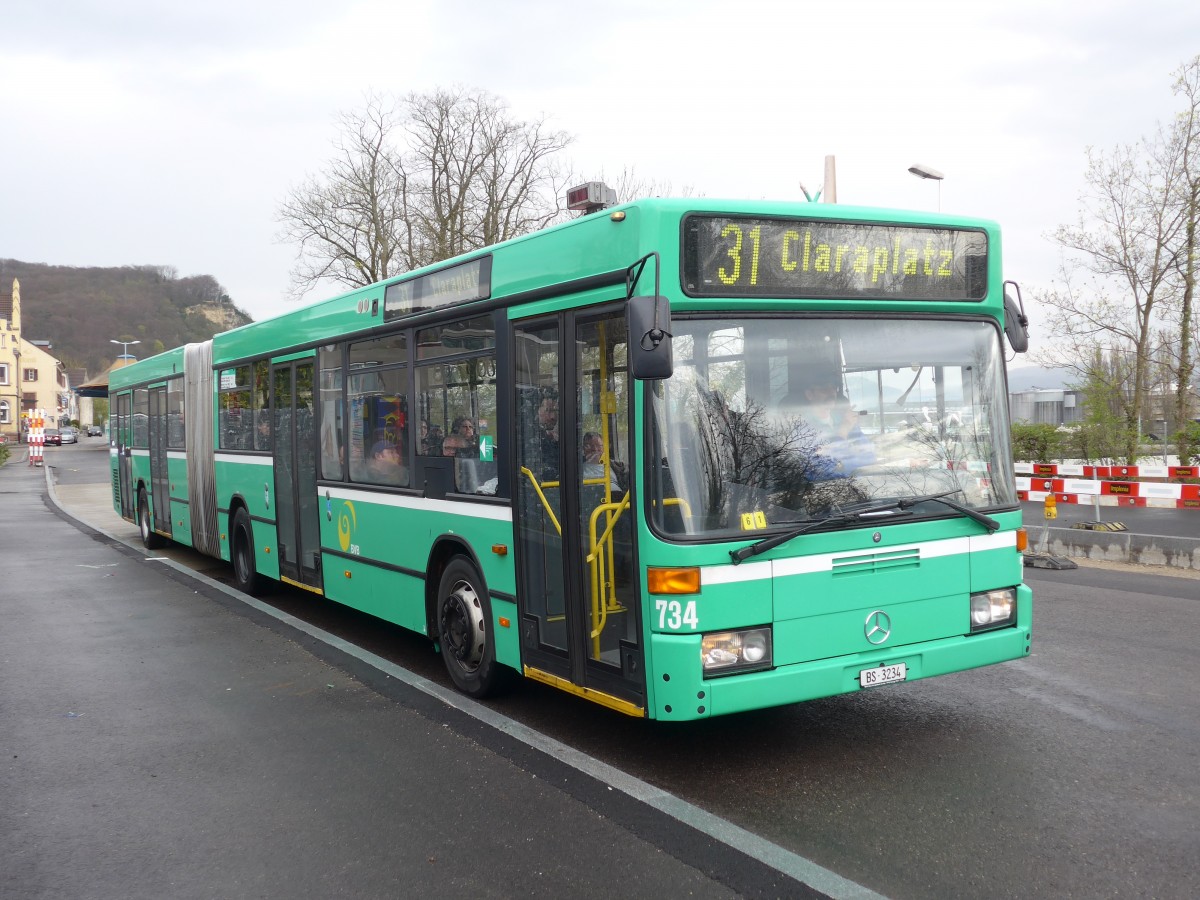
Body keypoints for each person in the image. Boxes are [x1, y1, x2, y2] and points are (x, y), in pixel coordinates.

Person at [783, 374, 875, 478]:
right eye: (824, 388)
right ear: (810, 394)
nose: (831, 392)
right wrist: (842, 435)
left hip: (861, 489)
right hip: (824, 491)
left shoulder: (847, 421)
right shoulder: (800, 430)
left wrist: (842, 464)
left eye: (833, 388)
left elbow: (870, 458)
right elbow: (818, 472)